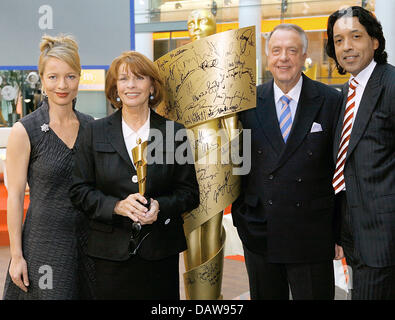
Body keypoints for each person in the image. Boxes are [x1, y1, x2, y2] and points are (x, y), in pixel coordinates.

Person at [69, 51, 200, 300]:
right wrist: (116, 206)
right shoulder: (94, 132)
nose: (131, 85)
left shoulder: (175, 133)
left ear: (152, 86)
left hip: (160, 251)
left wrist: (160, 207)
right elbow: (79, 191)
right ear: (115, 88)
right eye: (124, 79)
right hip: (109, 254)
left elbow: (189, 194)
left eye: (139, 78)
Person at [232, 24, 343, 300]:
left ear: (304, 55)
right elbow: (236, 164)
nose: (284, 58)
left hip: (312, 233)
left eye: (292, 50)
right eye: (276, 50)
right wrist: (242, 217)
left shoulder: (330, 100)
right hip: (261, 231)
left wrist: (341, 232)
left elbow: (341, 169)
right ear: (267, 57)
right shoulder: (246, 103)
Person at [2, 34, 94, 299]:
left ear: (79, 78)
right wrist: (16, 256)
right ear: (42, 79)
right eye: (53, 77)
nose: (61, 85)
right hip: (44, 244)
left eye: (70, 76)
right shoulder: (25, 131)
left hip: (89, 244)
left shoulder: (92, 127)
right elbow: (16, 197)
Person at [326, 6, 395, 300]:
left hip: (384, 237)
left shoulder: (390, 85)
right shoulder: (346, 92)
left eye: (356, 36)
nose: (347, 47)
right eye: (339, 40)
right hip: (354, 233)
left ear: (375, 41)